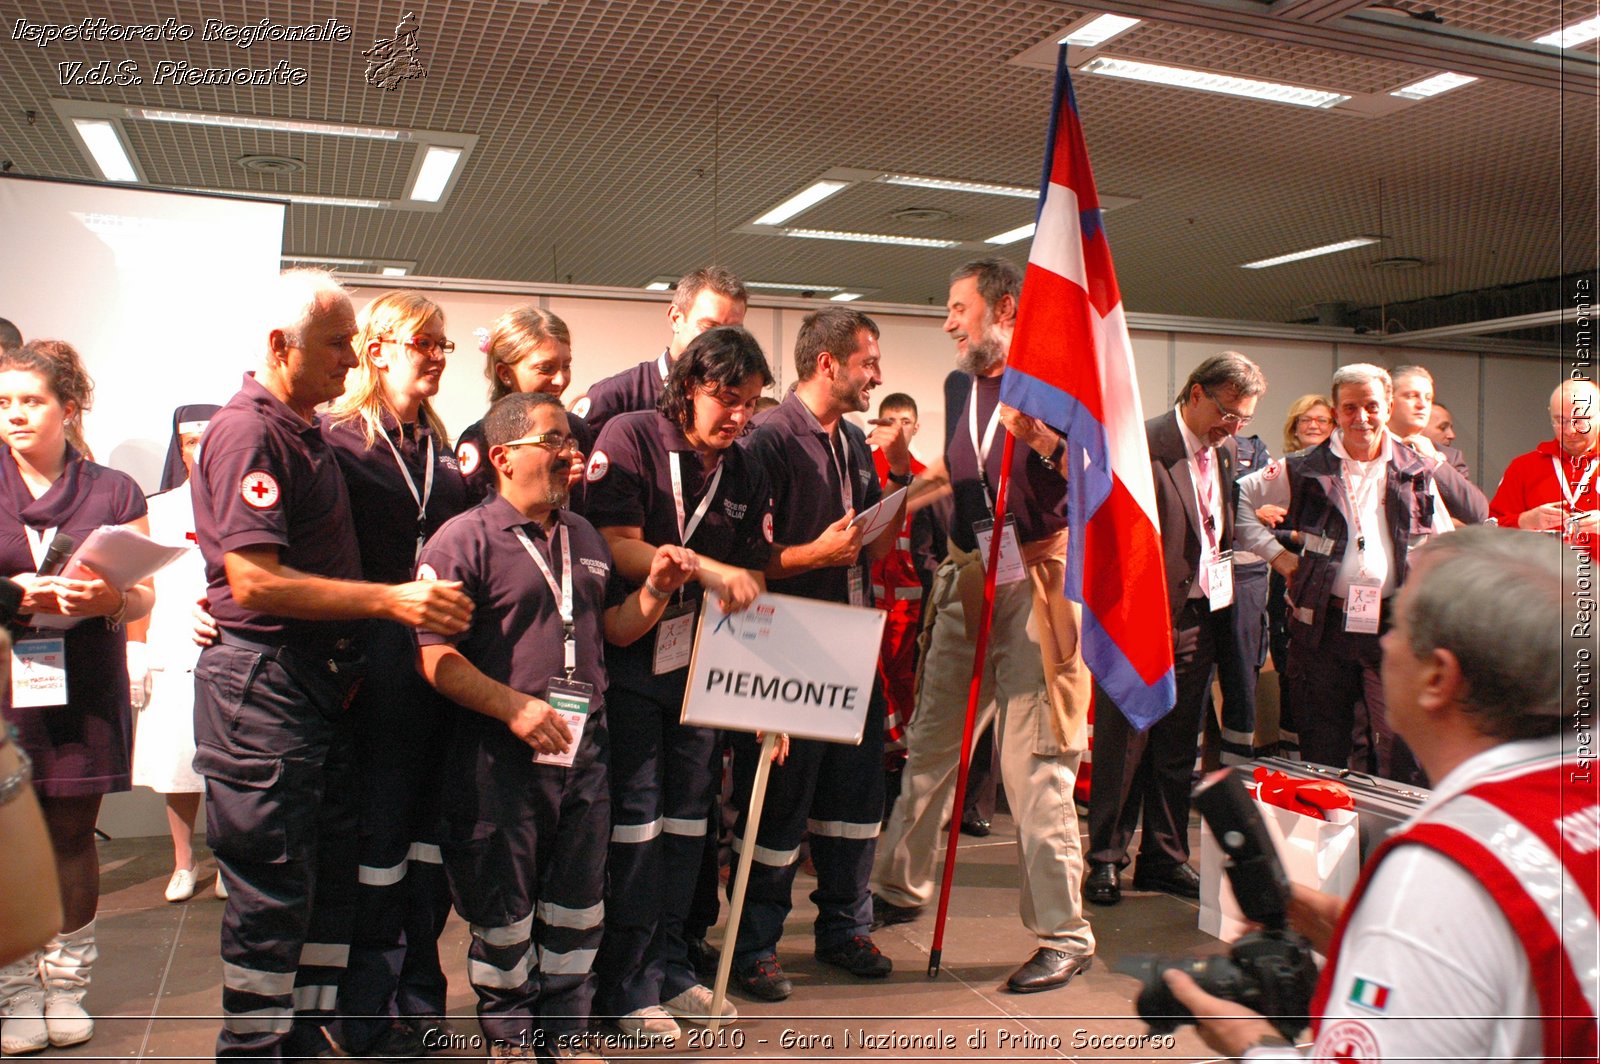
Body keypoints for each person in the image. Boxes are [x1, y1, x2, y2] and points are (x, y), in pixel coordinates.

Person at [1168, 526, 1596, 1061]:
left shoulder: (1447, 869)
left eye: (1398, 623)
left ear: (1438, 677)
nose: (1383, 640)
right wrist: (1345, 923)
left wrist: (1244, 1039)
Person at [189, 270, 473, 1058]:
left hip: (315, 686)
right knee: (271, 891)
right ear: (281, 346)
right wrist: (389, 603)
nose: (351, 361)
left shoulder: (303, 429)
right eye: (339, 344)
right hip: (266, 685)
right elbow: (251, 578)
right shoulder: (252, 432)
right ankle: (253, 1051)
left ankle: (303, 1041)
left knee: (316, 887)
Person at [415, 390, 697, 1061]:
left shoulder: (585, 536)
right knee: (503, 905)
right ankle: (510, 1038)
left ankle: (566, 1034)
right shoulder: (463, 540)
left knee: (577, 901)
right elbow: (435, 660)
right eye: (554, 441)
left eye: (572, 441)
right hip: (500, 755)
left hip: (585, 750)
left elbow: (616, 631)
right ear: (503, 456)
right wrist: (513, 707)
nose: (572, 453)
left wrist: (655, 590)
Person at [872, 258, 1096, 993]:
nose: (947, 322)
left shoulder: (1057, 385)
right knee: (931, 746)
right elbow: (959, 471)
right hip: (970, 578)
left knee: (1035, 769)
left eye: (957, 308)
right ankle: (896, 888)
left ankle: (1065, 933)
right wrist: (895, 500)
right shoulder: (960, 385)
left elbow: (1102, 482)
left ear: (1004, 308)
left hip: (1039, 587)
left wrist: (1045, 442)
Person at [586, 326, 773, 1042]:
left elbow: (752, 569)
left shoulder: (745, 466)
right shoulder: (631, 435)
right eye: (727, 399)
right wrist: (706, 568)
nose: (739, 417)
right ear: (689, 384)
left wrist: (764, 695)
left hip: (701, 666)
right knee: (636, 824)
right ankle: (626, 985)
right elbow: (614, 544)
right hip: (633, 663)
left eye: (751, 403)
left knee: (691, 825)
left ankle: (670, 968)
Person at [732, 305, 910, 1001]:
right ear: (828, 363)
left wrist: (896, 502)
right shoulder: (769, 439)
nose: (878, 374)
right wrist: (818, 553)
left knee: (854, 798)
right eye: (868, 360)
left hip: (851, 643)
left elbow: (863, 544)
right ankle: (754, 948)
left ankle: (844, 927)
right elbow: (742, 556)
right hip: (790, 646)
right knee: (779, 804)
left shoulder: (853, 444)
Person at [321, 291, 474, 1058]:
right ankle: (362, 1010)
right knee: (375, 846)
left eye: (445, 344)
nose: (439, 355)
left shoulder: (443, 449)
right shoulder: (335, 440)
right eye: (425, 343)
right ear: (376, 350)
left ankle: (421, 998)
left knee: (427, 847)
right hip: (367, 670)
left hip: (436, 673)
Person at [0, 339, 155, 1054]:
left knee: (70, 837)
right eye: (3, 403)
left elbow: (143, 589)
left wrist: (110, 596)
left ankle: (66, 985)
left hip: (83, 682)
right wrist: (13, 594)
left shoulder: (115, 489)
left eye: (30, 401)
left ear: (68, 407)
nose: (14, 415)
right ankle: (13, 991)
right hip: (3, 685)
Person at [1086, 353, 1265, 908]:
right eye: (1227, 413)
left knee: (1175, 746)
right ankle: (1105, 860)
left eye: (1242, 419)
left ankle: (1164, 858)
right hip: (1139, 620)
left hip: (1201, 615)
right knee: (1125, 745)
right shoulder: (1141, 446)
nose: (1232, 428)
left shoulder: (1228, 453)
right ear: (1194, 392)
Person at [1236, 364, 1452, 782]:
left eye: (1371, 406)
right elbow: (1241, 498)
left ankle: (1390, 842)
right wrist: (1278, 558)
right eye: (1350, 408)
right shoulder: (1304, 467)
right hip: (1322, 628)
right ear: (1336, 411)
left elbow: (1442, 537)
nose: (1362, 418)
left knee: (1400, 747)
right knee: (1323, 748)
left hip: (1393, 627)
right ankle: (1332, 836)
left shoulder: (1415, 467)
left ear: (1388, 407)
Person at [128, 404, 223, 904]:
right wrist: (136, 649)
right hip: (170, 642)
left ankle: (230, 862)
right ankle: (184, 863)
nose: (201, 449)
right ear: (180, 449)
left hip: (227, 645)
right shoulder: (156, 509)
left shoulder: (243, 502)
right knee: (177, 763)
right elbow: (140, 580)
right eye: (191, 441)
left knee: (231, 765)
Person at [571, 266, 747, 432]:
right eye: (709, 327)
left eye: (732, 331)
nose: (721, 341)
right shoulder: (614, 397)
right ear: (676, 318)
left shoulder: (740, 401)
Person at [456, 305, 588, 504]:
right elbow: (478, 521)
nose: (560, 380)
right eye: (546, 368)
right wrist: (552, 489)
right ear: (505, 374)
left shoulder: (577, 430)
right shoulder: (480, 440)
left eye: (566, 366)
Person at [1263, 395, 1334, 760]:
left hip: (1330, 583)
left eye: (1323, 420)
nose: (1314, 426)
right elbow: (1250, 516)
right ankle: (1290, 752)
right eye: (1306, 419)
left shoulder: (1342, 473)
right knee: (1289, 658)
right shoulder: (1282, 469)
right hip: (1289, 575)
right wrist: (1292, 538)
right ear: (1294, 426)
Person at [867, 393, 927, 786]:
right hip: (869, 598)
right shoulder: (863, 472)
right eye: (890, 421)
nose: (898, 429)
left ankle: (901, 756)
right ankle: (880, 753)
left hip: (909, 605)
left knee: (904, 681)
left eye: (905, 421)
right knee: (872, 680)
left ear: (916, 427)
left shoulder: (925, 477)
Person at [1490, 378, 1599, 559]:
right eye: (1560, 420)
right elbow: (1490, 530)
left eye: (1580, 420)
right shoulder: (1523, 467)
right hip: (1540, 580)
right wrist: (1524, 521)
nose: (1570, 431)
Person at [1387, 365, 1487, 524]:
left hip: (1435, 546)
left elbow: (1477, 512)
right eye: (1411, 396)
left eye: (1428, 398)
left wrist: (1435, 461)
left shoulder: (1448, 456)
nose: (1422, 404)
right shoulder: (1371, 449)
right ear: (1388, 401)